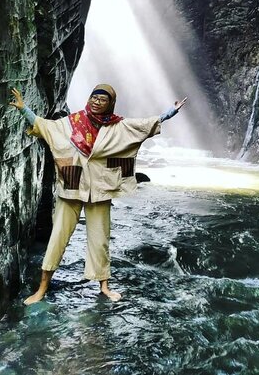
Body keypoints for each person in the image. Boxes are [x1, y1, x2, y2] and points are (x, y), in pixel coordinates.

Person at [10, 84, 187, 304]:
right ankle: (42, 288)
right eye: (94, 97)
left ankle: (104, 286)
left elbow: (142, 127)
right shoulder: (72, 122)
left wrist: (170, 112)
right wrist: (23, 108)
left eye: (102, 100)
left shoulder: (117, 126)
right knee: (57, 239)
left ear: (110, 104)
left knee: (100, 240)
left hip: (100, 190)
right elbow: (46, 127)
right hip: (72, 187)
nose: (96, 102)